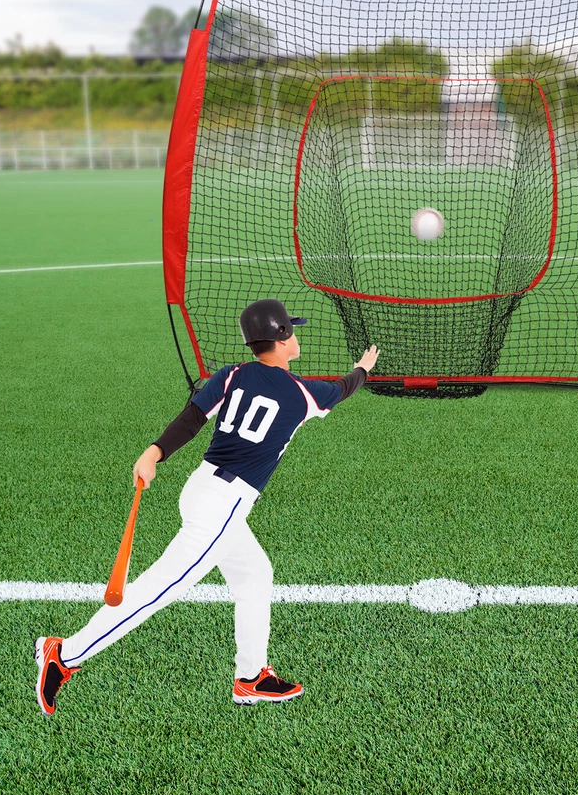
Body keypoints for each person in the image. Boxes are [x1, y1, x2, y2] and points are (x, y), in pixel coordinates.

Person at [35, 298, 378, 716]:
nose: (296, 334)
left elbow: (193, 417)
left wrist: (155, 452)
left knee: (254, 574)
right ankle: (64, 655)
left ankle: (251, 678)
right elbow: (342, 389)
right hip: (224, 507)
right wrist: (363, 368)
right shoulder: (303, 394)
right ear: (282, 337)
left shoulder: (231, 374)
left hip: (201, 489)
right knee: (158, 589)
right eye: (292, 328)